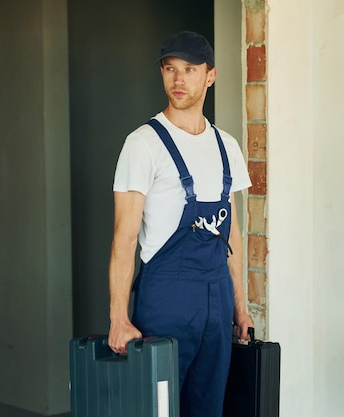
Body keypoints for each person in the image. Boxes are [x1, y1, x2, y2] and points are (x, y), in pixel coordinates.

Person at [107, 31, 254, 417]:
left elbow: (232, 235)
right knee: (157, 408)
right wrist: (119, 317)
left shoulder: (228, 147)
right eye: (170, 69)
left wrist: (240, 306)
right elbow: (124, 238)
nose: (178, 79)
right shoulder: (143, 144)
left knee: (209, 406)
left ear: (210, 76)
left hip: (218, 296)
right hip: (167, 298)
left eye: (190, 70)